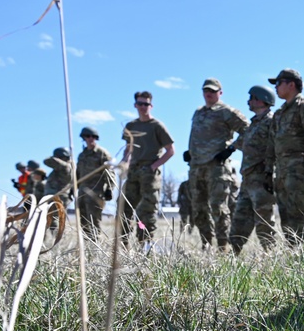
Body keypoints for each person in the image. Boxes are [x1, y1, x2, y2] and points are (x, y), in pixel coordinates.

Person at [186, 77, 248, 250]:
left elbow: (248, 130)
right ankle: (206, 244)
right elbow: (195, 135)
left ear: (220, 93)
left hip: (217, 168)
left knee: (218, 208)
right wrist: (190, 152)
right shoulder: (199, 112)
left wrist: (231, 148)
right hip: (197, 168)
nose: (209, 94)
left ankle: (223, 247)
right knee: (198, 209)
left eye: (213, 91)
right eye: (206, 91)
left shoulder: (226, 111)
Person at [120, 91, 175, 247]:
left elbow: (170, 150)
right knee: (124, 208)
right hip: (133, 172)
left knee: (146, 211)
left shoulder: (157, 126)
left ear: (151, 106)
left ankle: (145, 246)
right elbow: (128, 149)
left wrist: (153, 166)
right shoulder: (131, 126)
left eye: (146, 104)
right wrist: (124, 163)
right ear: (135, 105)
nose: (143, 107)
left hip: (149, 173)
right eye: (140, 104)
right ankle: (123, 246)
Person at [230, 85, 278, 253]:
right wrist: (228, 149)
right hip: (247, 180)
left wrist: (270, 173)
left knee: (264, 221)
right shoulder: (253, 123)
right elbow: (241, 143)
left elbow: (275, 148)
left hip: (261, 178)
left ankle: (270, 255)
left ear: (260, 100)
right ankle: (234, 254)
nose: (248, 101)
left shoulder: (271, 122)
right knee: (239, 220)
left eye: (251, 98)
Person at [268, 68, 304, 245]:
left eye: (278, 83)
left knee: (299, 214)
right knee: (285, 215)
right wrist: (268, 171)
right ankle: (293, 253)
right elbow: (272, 145)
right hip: (281, 171)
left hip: (298, 170)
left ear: (291, 84)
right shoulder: (279, 114)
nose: (276, 88)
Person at [75, 126, 115, 240]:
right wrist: (74, 187)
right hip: (82, 192)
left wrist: (109, 188)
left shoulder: (102, 153)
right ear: (84, 138)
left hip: (96, 193)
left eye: (93, 136)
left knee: (94, 221)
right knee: (83, 220)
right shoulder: (82, 155)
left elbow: (109, 171)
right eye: (88, 136)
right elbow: (78, 173)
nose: (90, 139)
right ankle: (87, 248)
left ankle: (96, 247)